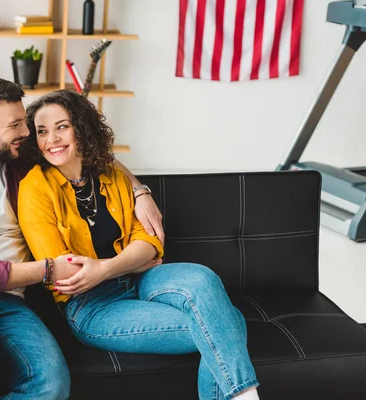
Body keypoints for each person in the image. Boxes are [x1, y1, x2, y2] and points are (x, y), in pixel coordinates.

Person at [0, 76, 164, 399]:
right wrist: (48, 269)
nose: (28, 133)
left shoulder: (20, 160)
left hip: (10, 301)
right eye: (16, 125)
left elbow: (91, 155)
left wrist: (139, 191)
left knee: (52, 384)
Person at [17, 89, 261, 400]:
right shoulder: (35, 188)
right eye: (42, 131)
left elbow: (149, 240)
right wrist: (128, 260)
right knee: (228, 322)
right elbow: (65, 273)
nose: (52, 139)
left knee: (202, 278)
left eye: (62, 126)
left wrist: (106, 267)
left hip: (141, 279)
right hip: (94, 306)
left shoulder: (109, 173)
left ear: (81, 127)